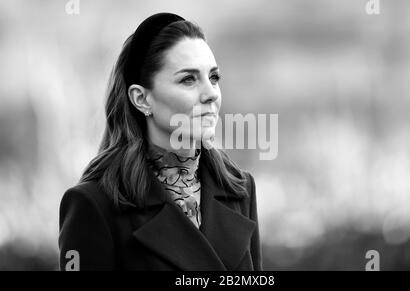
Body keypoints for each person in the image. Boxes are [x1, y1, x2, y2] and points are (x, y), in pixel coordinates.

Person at [58, 12, 262, 271]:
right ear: (142, 99)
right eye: (188, 79)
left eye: (213, 77)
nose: (211, 93)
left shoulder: (239, 189)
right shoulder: (95, 205)